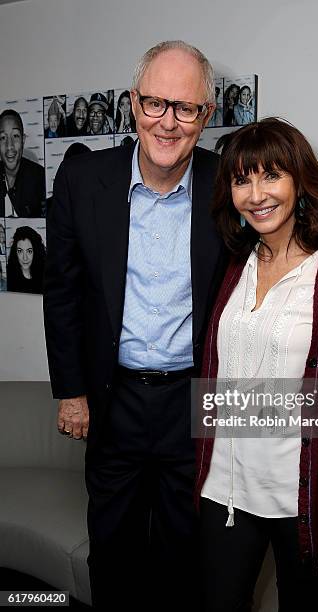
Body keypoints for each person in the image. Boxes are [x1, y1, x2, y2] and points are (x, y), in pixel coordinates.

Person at [43, 40, 226, 610]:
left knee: (184, 555)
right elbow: (64, 293)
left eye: (186, 108)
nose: (168, 123)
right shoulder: (81, 179)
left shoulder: (228, 186)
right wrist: (71, 391)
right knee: (114, 550)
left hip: (193, 404)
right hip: (110, 399)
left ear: (207, 114)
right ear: (132, 103)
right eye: (155, 103)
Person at [195, 118, 318, 612]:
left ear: (299, 181)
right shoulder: (236, 263)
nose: (256, 194)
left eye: (270, 176)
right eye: (241, 180)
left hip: (300, 504)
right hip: (225, 494)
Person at [0, 109, 46, 217]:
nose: (9, 146)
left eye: (15, 136)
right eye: (3, 138)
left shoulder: (40, 178)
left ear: (23, 140)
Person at [7, 225, 46, 293]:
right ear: (15, 252)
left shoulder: (44, 274)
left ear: (35, 252)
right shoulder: (10, 275)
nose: (25, 258)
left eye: (29, 251)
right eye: (20, 251)